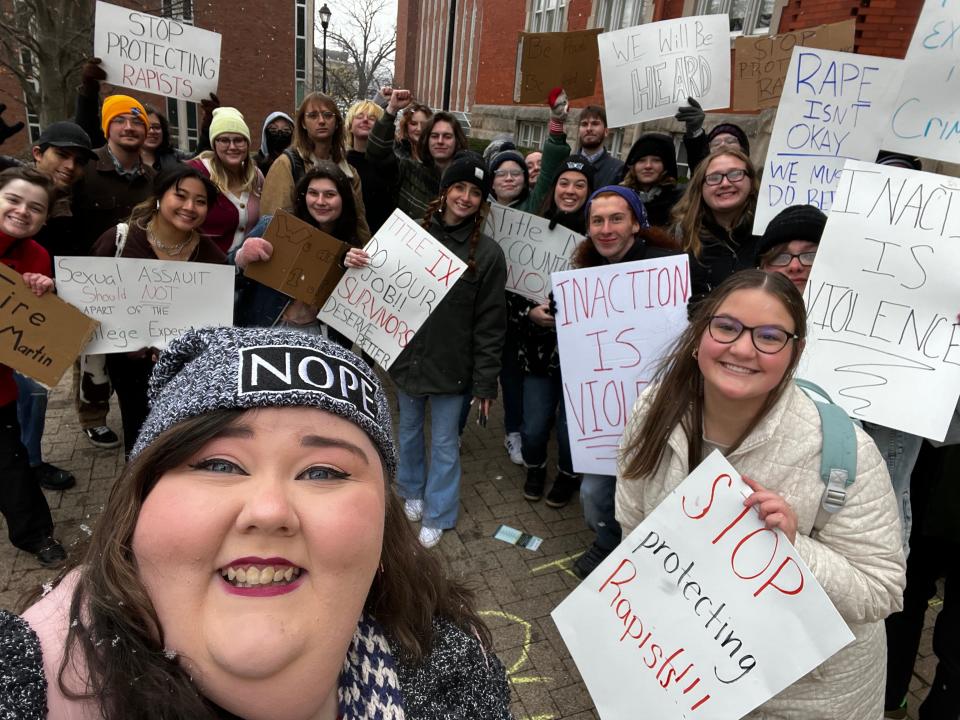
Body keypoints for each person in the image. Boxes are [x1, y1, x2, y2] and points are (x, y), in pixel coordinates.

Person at [1, 326, 512, 718]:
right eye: (219, 464)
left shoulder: (455, 670)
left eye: (323, 472)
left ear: (386, 526)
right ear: (139, 502)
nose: (268, 511)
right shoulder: (21, 679)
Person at [615, 269, 905, 719]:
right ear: (699, 333)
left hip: (801, 699)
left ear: (795, 352)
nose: (743, 348)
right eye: (727, 327)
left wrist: (793, 549)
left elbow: (881, 590)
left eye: (769, 336)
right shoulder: (654, 409)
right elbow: (632, 521)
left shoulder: (842, 451)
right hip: (687, 674)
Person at [384, 152, 506, 548]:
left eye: (475, 192)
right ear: (444, 191)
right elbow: (381, 281)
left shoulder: (487, 255)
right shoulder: (411, 235)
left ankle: (439, 512)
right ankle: (411, 492)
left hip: (453, 367)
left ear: (482, 202)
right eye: (459, 187)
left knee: (444, 445)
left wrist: (485, 384)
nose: (465, 198)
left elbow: (490, 324)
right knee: (408, 432)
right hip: (408, 359)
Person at [570, 185, 682, 578]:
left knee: (654, 491)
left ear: (636, 223)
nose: (605, 228)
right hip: (605, 412)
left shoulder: (666, 268)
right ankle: (606, 541)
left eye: (616, 218)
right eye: (597, 221)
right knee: (594, 492)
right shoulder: (583, 276)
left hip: (660, 406)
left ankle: (647, 560)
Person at [91, 165, 225, 458]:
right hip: (130, 367)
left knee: (180, 441)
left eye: (200, 201)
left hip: (186, 370)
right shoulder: (119, 241)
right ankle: (136, 495)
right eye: (180, 196)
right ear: (158, 197)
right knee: (139, 437)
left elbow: (215, 326)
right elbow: (93, 300)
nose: (190, 207)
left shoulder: (212, 257)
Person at [3, 121, 97, 491]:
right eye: (62, 155)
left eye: (78, 160)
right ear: (39, 152)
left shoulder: (74, 199)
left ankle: (30, 461)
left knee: (34, 394)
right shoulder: (12, 186)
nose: (70, 166)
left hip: (32, 315)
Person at [71, 94, 156, 450]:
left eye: (138, 122)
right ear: (107, 127)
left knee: (124, 353)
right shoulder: (85, 171)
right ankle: (93, 416)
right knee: (90, 353)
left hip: (136, 280)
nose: (130, 127)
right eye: (121, 120)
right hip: (91, 277)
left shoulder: (153, 177)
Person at [515, 155, 596, 507]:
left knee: (570, 430)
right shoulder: (532, 229)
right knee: (533, 426)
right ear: (554, 187)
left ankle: (567, 474)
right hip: (539, 349)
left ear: (589, 192)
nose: (570, 190)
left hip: (582, 353)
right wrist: (528, 312)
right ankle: (536, 467)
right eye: (565, 182)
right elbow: (511, 285)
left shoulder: (600, 238)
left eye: (580, 184)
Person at [0, 166, 67, 566]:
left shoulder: (37, 257)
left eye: (36, 208)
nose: (23, 212)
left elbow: (36, 333)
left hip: (0, 387)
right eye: (13, 199)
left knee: (11, 465)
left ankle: (35, 535)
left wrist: (45, 292)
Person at [233, 161, 361, 345]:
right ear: (304, 195)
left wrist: (351, 274)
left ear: (344, 199)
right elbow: (228, 277)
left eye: (330, 195)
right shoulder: (273, 228)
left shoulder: (350, 250)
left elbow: (350, 319)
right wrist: (241, 259)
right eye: (313, 193)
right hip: (264, 332)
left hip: (316, 338)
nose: (320, 201)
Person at [261, 92, 371, 246]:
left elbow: (359, 224)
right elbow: (274, 225)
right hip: (298, 255)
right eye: (313, 115)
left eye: (327, 115)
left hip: (343, 258)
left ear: (337, 122)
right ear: (303, 124)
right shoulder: (286, 164)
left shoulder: (350, 172)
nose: (321, 121)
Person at [671, 148, 759, 314]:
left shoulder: (769, 234)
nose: (725, 183)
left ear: (751, 182)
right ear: (700, 188)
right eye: (714, 178)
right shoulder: (680, 236)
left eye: (735, 174)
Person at [367, 88, 468, 221]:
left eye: (447, 136)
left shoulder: (464, 172)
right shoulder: (404, 164)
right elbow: (376, 152)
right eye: (435, 136)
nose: (440, 141)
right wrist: (391, 109)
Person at [187, 107, 264, 253]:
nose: (232, 146)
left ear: (247, 144)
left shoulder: (256, 176)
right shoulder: (196, 172)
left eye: (239, 140)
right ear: (214, 144)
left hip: (245, 268)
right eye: (224, 140)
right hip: (205, 266)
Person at [345, 99, 396, 233]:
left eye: (372, 118)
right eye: (359, 116)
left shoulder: (391, 163)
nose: (365, 120)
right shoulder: (341, 162)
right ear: (350, 126)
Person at [620, 132, 684, 228]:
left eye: (656, 160)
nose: (648, 166)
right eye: (641, 160)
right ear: (633, 166)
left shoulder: (678, 202)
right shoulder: (620, 198)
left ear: (665, 166)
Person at [675, 97, 751, 173]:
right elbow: (697, 154)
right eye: (716, 143)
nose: (722, 145)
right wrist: (694, 130)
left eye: (730, 141)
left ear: (742, 148)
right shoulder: (702, 175)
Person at [576, 105, 624, 188]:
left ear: (606, 131)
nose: (589, 128)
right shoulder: (567, 164)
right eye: (584, 124)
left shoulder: (619, 170)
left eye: (595, 124)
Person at [140, 105, 192, 172]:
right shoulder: (126, 161)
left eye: (156, 127)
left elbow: (201, 157)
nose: (152, 131)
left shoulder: (177, 158)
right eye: (146, 127)